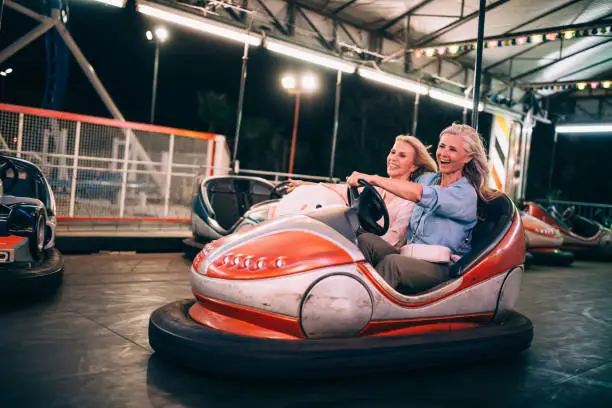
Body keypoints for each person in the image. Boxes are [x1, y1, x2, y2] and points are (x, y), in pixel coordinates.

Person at [347, 123, 496, 293]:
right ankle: (342, 291)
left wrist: (373, 178)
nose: (443, 153)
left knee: (393, 264)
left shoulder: (465, 194)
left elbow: (419, 194)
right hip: (409, 253)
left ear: (468, 157)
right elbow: (404, 179)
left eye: (453, 149)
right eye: (442, 146)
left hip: (439, 267)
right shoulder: (428, 179)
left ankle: (360, 306)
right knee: (365, 240)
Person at [282, 135, 437, 248]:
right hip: (357, 243)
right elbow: (342, 189)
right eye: (393, 152)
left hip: (379, 251)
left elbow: (394, 239)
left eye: (402, 155)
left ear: (414, 166)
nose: (393, 158)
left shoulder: (409, 200)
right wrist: (309, 185)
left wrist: (355, 242)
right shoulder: (375, 189)